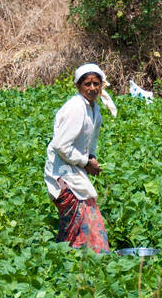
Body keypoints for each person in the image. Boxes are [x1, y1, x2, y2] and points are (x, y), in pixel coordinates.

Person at [44, 63, 114, 253]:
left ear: (101, 85)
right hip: (63, 174)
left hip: (75, 172)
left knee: (83, 221)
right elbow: (60, 145)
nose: (92, 88)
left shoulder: (93, 108)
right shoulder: (76, 107)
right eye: (87, 84)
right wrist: (85, 162)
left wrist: (91, 158)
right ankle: (69, 260)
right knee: (78, 222)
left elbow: (91, 141)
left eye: (96, 84)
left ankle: (81, 261)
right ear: (78, 86)